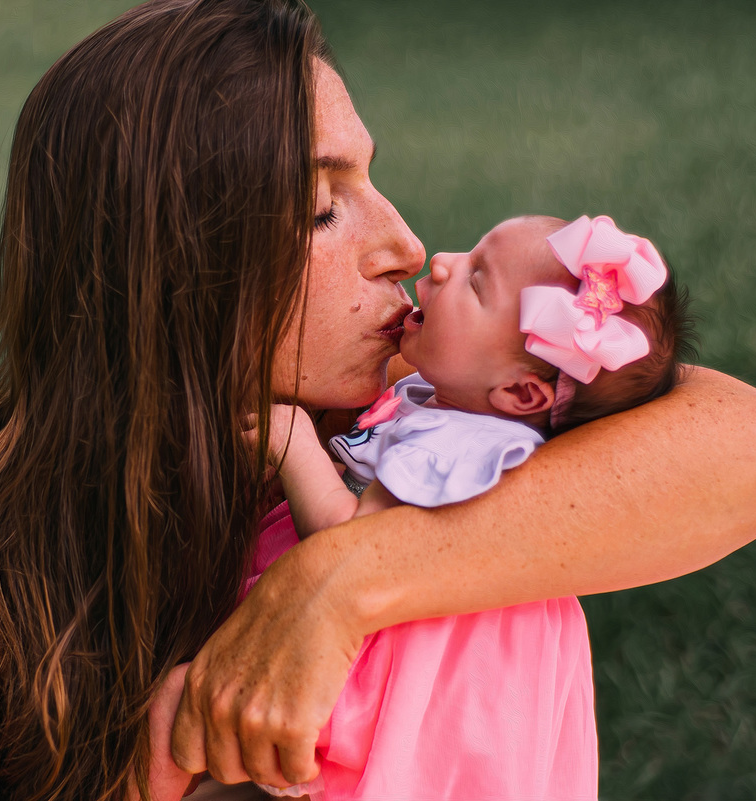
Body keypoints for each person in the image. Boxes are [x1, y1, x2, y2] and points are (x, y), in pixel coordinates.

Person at [0, 1, 756, 800]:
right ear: (167, 259)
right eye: (324, 205)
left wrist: (332, 591)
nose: (406, 244)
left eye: (372, 176)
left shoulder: (394, 406)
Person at [146, 212, 696, 801]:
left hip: (373, 684)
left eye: (477, 281)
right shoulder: (457, 420)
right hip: (432, 690)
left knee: (177, 713)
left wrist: (295, 445)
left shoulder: (457, 445)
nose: (441, 262)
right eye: (472, 250)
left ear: (519, 392)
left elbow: (347, 543)